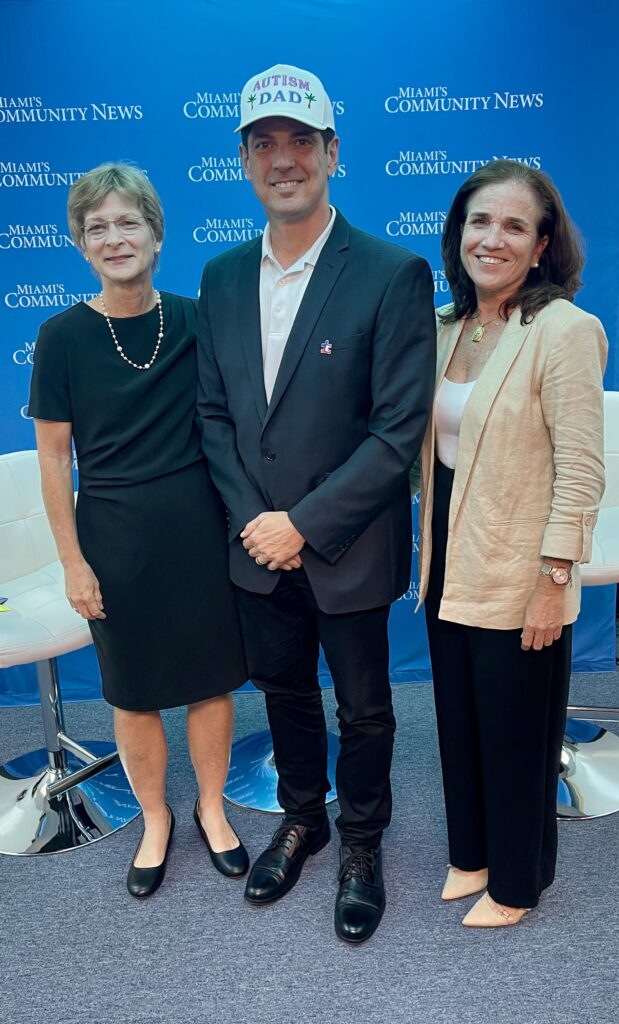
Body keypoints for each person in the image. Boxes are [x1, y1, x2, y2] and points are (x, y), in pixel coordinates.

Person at [197, 63, 436, 944]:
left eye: (301, 140)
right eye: (264, 143)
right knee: (284, 693)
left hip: (348, 545)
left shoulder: (390, 272)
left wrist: (302, 524)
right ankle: (305, 820)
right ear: (243, 162)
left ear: (333, 152)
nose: (283, 159)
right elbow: (214, 416)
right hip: (256, 549)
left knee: (364, 709)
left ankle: (362, 843)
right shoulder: (221, 277)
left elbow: (396, 431)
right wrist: (258, 527)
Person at [28, 163, 249, 898]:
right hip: (113, 537)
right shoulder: (60, 337)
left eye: (128, 223)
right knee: (133, 691)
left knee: (210, 681)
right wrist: (72, 562)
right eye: (97, 228)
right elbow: (54, 459)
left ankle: (211, 807)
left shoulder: (196, 319)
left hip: (199, 530)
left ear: (157, 235)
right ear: (81, 246)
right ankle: (155, 817)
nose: (114, 238)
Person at [417, 159, 607, 927]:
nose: (491, 239)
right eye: (479, 222)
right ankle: (471, 854)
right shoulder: (445, 326)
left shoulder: (563, 330)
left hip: (523, 564)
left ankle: (516, 884)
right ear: (457, 234)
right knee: (459, 719)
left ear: (540, 246)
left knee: (515, 733)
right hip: (446, 557)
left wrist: (553, 580)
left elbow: (581, 469)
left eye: (513, 226)